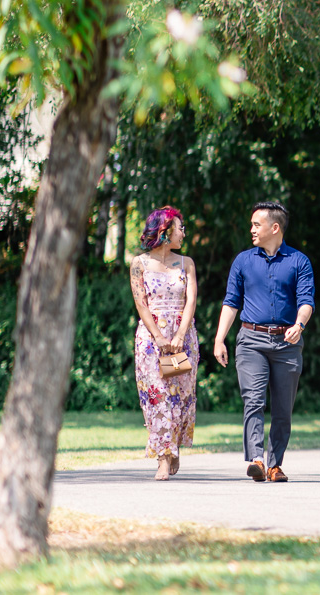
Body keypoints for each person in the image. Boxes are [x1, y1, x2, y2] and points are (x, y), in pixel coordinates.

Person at [213, 201, 314, 482]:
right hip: (251, 341)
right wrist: (220, 338)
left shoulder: (299, 261)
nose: (252, 230)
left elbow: (306, 302)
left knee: (283, 408)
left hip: (287, 343)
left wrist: (299, 325)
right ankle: (257, 459)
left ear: (275, 227)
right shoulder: (243, 260)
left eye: (257, 224)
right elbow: (231, 302)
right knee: (253, 400)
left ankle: (275, 464)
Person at [129, 206, 200, 481]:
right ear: (165, 230)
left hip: (184, 337)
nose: (183, 233)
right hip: (150, 339)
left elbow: (191, 300)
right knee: (156, 397)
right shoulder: (139, 264)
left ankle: (174, 447)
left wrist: (180, 335)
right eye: (180, 228)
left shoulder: (187, 263)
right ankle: (162, 456)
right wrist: (158, 336)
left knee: (180, 397)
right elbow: (141, 303)